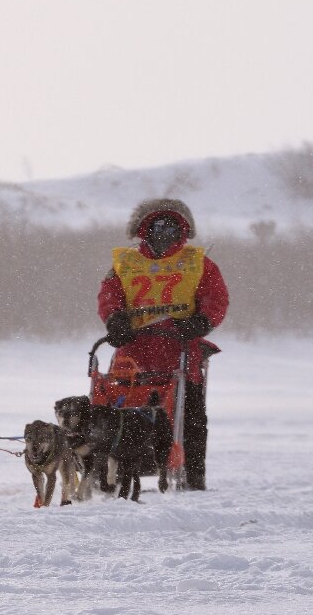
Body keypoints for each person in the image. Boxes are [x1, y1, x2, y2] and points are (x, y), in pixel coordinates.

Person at [97, 198, 229, 490]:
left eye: (172, 226)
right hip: (134, 351)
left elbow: (215, 298)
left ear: (183, 230)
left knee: (191, 415)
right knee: (117, 409)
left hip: (180, 347)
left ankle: (193, 476)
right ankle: (108, 472)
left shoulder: (199, 263)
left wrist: (202, 321)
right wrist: (114, 320)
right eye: (157, 225)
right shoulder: (125, 264)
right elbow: (110, 295)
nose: (164, 232)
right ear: (144, 229)